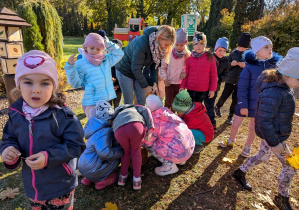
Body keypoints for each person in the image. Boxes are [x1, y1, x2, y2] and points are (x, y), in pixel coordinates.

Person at [0, 50, 86, 209]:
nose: (36, 89)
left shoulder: (63, 116)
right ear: (19, 84)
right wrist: (8, 151)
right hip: (33, 188)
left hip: (60, 187)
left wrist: (48, 157)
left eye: (44, 83)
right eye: (28, 82)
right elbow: (8, 139)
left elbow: (76, 146)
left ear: (54, 86)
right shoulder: (16, 114)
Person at [232, 47, 299, 210]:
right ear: (289, 75)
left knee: (263, 155)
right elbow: (263, 120)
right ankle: (282, 196)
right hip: (273, 136)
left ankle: (240, 172)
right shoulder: (275, 91)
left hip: (273, 135)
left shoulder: (283, 86)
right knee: (291, 166)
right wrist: (275, 142)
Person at [219, 36, 282, 157]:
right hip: (245, 102)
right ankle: (231, 139)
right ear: (257, 51)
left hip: (261, 105)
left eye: (271, 47)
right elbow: (242, 87)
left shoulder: (273, 69)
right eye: (266, 47)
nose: (270, 50)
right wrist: (243, 104)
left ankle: (248, 146)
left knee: (253, 126)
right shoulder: (249, 67)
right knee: (236, 123)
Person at [65, 31, 124, 119]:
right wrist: (70, 68)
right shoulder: (81, 63)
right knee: (96, 128)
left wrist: (106, 42)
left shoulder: (105, 60)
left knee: (107, 127)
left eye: (98, 49)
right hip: (92, 103)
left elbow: (119, 53)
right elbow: (76, 83)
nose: (94, 51)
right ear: (85, 47)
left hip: (106, 100)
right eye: (92, 48)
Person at [115, 25, 176, 105]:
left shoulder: (158, 49)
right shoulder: (142, 44)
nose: (166, 47)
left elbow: (154, 67)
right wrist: (146, 87)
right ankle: (127, 116)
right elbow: (135, 68)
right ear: (160, 37)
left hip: (137, 71)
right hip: (124, 71)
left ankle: (141, 116)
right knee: (129, 102)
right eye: (166, 44)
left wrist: (153, 84)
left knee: (142, 100)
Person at [143, 95, 195, 176]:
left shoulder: (155, 120)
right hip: (189, 150)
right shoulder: (168, 113)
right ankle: (181, 160)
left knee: (149, 144)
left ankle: (170, 166)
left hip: (178, 154)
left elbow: (148, 142)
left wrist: (141, 141)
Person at [78, 100, 123, 190]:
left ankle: (88, 178)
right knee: (116, 157)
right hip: (93, 170)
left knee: (93, 157)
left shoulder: (95, 129)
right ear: (109, 119)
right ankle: (101, 180)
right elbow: (105, 153)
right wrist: (121, 151)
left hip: (82, 167)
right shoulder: (105, 131)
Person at [179, 32, 218, 130]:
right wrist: (182, 87)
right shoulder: (189, 59)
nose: (199, 46)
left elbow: (214, 75)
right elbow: (186, 74)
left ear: (205, 44)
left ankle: (211, 124)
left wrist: (212, 89)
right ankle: (191, 124)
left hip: (205, 90)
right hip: (191, 89)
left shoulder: (210, 58)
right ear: (193, 45)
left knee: (208, 108)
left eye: (201, 44)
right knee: (192, 108)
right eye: (196, 44)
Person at [113, 104, 154, 190]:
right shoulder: (136, 107)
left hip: (119, 130)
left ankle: (122, 178)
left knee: (126, 152)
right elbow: (146, 110)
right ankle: (136, 180)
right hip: (135, 126)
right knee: (136, 152)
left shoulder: (116, 112)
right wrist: (150, 129)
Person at [215, 32, 251, 124]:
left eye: (243, 48)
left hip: (241, 82)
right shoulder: (233, 53)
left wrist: (246, 65)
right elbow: (225, 65)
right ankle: (218, 106)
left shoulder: (250, 55)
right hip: (230, 79)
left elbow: (252, 67)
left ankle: (230, 116)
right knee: (224, 96)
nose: (241, 49)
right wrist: (231, 64)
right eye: (240, 47)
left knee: (235, 100)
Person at [160, 28, 191, 111]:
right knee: (168, 102)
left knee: (176, 102)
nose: (179, 47)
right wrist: (165, 78)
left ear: (185, 44)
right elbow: (163, 68)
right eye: (177, 45)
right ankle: (166, 116)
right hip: (169, 82)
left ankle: (174, 117)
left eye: (181, 45)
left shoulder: (187, 55)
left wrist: (185, 73)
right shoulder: (168, 53)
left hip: (179, 83)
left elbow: (188, 67)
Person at [211, 37, 230, 122]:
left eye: (224, 51)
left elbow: (226, 74)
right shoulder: (210, 58)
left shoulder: (226, 62)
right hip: (205, 84)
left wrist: (220, 78)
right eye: (220, 50)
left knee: (211, 102)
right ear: (216, 49)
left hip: (216, 86)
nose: (222, 53)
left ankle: (210, 118)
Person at [110, 39, 123, 108]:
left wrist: (117, 85)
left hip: (119, 85)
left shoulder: (122, 59)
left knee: (117, 103)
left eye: (119, 48)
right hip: (109, 86)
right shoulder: (107, 59)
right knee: (108, 104)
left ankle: (116, 115)